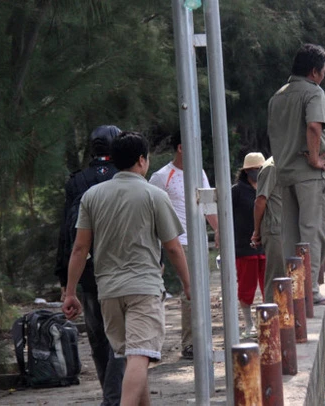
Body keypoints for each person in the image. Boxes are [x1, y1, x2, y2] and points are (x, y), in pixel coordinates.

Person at [62, 132, 191, 406]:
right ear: (142, 160)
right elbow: (173, 247)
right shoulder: (154, 195)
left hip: (108, 291)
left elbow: (79, 248)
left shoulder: (92, 196)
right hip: (143, 288)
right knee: (139, 356)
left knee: (133, 355)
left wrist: (70, 292)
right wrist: (188, 285)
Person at [54, 125, 125, 406]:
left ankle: (112, 395)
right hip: (122, 268)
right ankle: (113, 398)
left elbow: (67, 237)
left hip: (88, 273)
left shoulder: (77, 182)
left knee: (99, 340)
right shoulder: (126, 176)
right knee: (121, 339)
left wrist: (65, 282)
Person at [267, 43, 325, 306]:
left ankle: (295, 290)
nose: (324, 75)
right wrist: (316, 158)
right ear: (315, 71)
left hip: (284, 173)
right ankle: (311, 293)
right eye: (324, 70)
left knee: (290, 236)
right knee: (313, 231)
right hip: (309, 173)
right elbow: (314, 127)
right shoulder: (314, 93)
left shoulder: (278, 96)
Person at [149, 132, 219, 360]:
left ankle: (200, 339)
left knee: (201, 290)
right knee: (191, 290)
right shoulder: (162, 176)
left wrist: (218, 230)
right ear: (180, 147)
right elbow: (151, 210)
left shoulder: (198, 173)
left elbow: (208, 204)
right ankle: (190, 343)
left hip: (198, 240)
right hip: (178, 242)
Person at [232, 152, 267, 336]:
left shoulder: (266, 187)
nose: (257, 172)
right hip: (244, 247)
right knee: (246, 287)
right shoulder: (237, 191)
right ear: (247, 171)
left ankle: (267, 321)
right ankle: (248, 323)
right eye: (255, 169)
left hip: (265, 245)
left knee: (267, 284)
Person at [251, 156, 284, 303]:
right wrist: (257, 231)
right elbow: (260, 201)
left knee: (288, 275)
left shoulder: (286, 162)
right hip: (275, 228)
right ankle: (272, 318)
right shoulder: (271, 167)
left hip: (286, 228)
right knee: (276, 276)